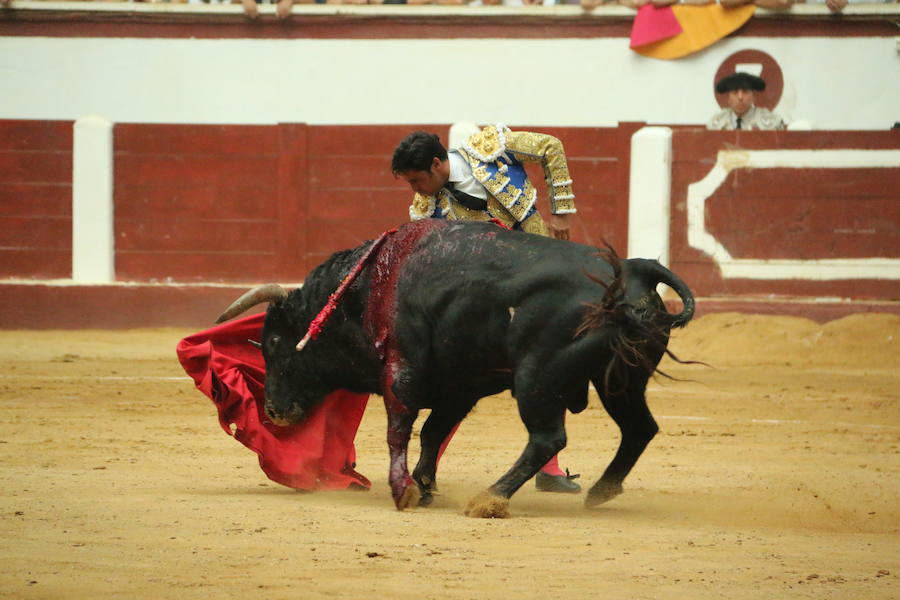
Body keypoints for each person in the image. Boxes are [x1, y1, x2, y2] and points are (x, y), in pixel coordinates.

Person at [391, 124, 582, 493]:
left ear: (436, 164)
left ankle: (549, 469)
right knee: (458, 379)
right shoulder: (424, 208)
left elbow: (551, 147)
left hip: (539, 274)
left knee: (549, 362)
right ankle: (425, 470)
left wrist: (561, 212)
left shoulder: (491, 148)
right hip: (486, 299)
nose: (416, 191)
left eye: (417, 180)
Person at [707, 72, 786, 131]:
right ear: (728, 99)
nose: (740, 97)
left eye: (745, 92)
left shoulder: (771, 121)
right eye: (735, 92)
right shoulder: (717, 122)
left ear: (753, 97)